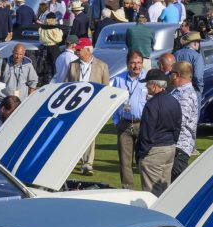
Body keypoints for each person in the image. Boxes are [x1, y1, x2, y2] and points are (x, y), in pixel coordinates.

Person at [66, 37, 109, 176]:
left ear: (88, 50)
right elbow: (67, 85)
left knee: (90, 135)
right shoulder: (73, 65)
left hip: (92, 106)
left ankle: (87, 164)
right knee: (73, 133)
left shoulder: (102, 66)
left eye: (79, 49)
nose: (76, 51)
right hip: (75, 106)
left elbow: (106, 89)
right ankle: (73, 160)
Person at [136, 69, 181, 196]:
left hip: (154, 151)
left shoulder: (152, 104)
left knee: (151, 194)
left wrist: (142, 153)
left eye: (147, 84)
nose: (146, 87)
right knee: (164, 191)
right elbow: (178, 126)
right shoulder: (174, 101)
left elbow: (146, 132)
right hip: (169, 148)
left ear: (154, 85)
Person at [112, 50, 147, 189]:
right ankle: (127, 190)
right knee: (125, 162)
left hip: (143, 124)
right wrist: (116, 121)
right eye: (133, 63)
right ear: (127, 64)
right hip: (125, 124)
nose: (136, 66)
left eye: (139, 62)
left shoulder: (148, 79)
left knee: (145, 160)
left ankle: (147, 189)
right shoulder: (118, 79)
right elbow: (113, 102)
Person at [169, 60, 198, 181]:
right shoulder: (178, 91)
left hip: (180, 146)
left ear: (177, 75)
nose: (169, 76)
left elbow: (180, 121)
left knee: (178, 183)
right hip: (174, 144)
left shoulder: (186, 94)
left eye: (171, 73)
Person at [174, 31, 204, 99]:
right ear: (196, 43)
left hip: (177, 88)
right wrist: (200, 88)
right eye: (199, 42)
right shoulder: (197, 56)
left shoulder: (176, 54)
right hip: (192, 90)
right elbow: (198, 76)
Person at [38, 12, 62, 82]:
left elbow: (41, 39)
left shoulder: (42, 28)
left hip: (45, 47)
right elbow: (59, 39)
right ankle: (55, 79)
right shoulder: (55, 29)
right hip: (54, 47)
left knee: (46, 64)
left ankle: (46, 80)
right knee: (55, 64)